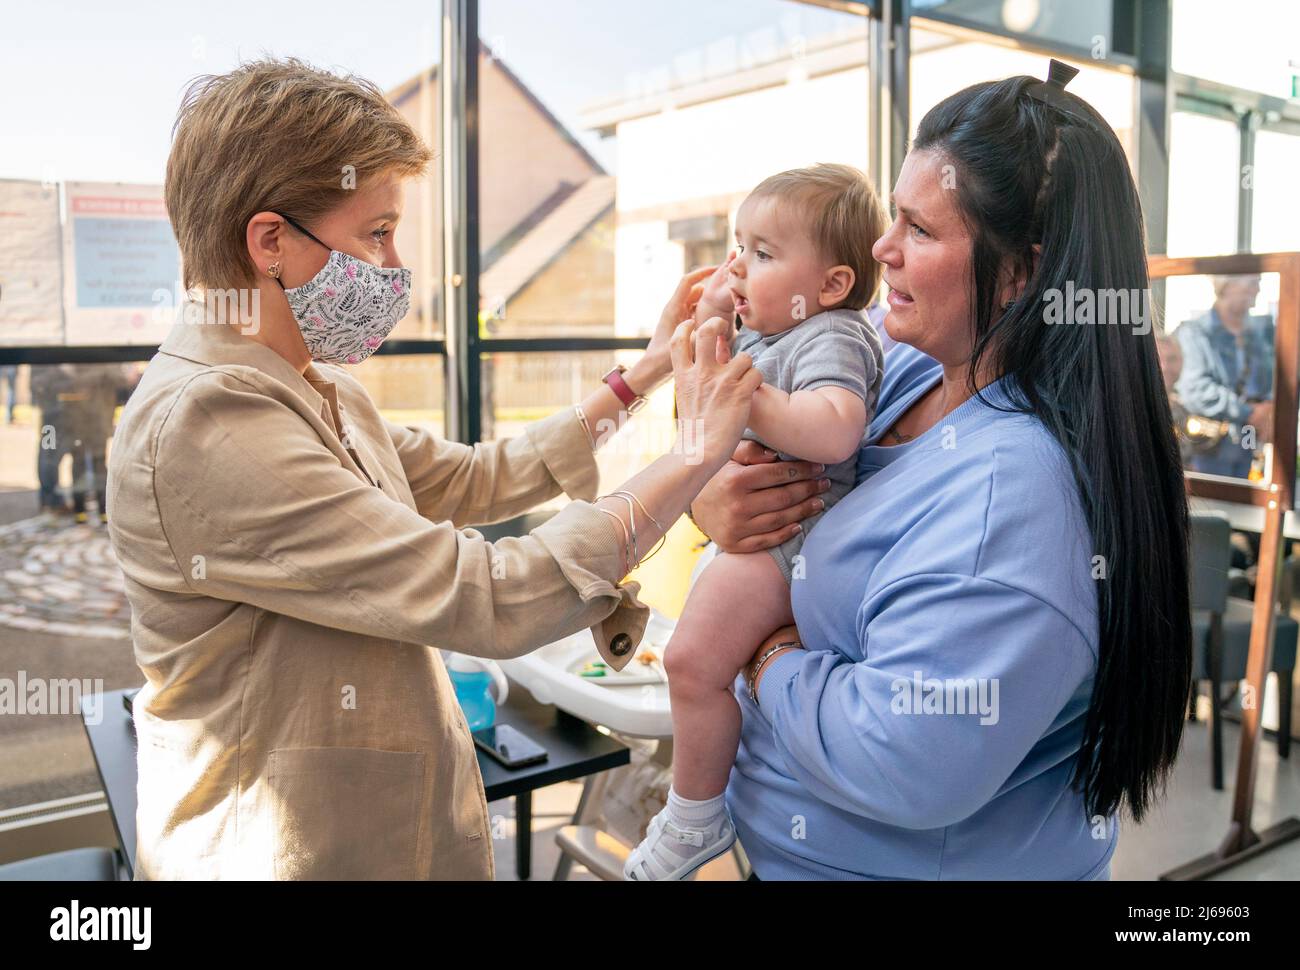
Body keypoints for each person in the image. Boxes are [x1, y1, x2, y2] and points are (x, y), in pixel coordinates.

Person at [105, 57, 762, 880]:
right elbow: (480, 592)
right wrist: (692, 457)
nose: (393, 267)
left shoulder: (311, 385)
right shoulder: (208, 424)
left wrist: (646, 373)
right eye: (375, 232)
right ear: (270, 242)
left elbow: (480, 478)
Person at [690, 61, 1191, 879]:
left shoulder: (1015, 497)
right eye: (894, 215)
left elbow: (904, 759)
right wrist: (713, 500)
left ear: (1023, 274)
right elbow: (782, 458)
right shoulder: (915, 366)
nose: (881, 248)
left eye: (919, 231)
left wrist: (769, 653)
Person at [624, 164, 885, 880]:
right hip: (763, 541)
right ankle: (702, 801)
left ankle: (693, 817)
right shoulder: (770, 341)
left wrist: (745, 401)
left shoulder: (832, 333)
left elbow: (835, 431)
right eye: (739, 245)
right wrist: (711, 323)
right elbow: (701, 424)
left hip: (792, 543)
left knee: (690, 662)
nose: (739, 264)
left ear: (831, 284)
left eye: (764, 253)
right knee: (695, 661)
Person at [1175, 274, 1273, 478]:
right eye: (1251, 283)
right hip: (1208, 446)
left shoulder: (1260, 334)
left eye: (1258, 283)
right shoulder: (1194, 333)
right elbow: (1195, 388)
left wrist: (1268, 409)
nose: (1257, 290)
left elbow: (1278, 378)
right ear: (1227, 286)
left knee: (1245, 501)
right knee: (1213, 500)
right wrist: (1247, 411)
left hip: (1249, 441)